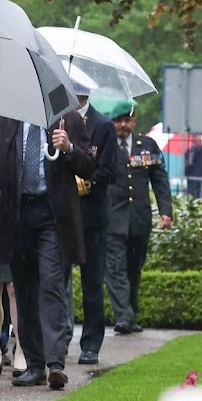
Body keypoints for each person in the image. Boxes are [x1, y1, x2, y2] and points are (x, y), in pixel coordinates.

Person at [0, 109, 95, 391]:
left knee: (52, 283)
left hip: (52, 215)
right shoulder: (1, 120)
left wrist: (69, 148)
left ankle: (56, 364)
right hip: (14, 215)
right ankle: (35, 364)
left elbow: (89, 165)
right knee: (24, 289)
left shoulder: (67, 118)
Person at [65, 79, 122, 365]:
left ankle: (90, 344)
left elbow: (109, 170)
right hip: (62, 214)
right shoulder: (58, 120)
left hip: (91, 215)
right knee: (56, 283)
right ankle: (58, 341)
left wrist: (86, 183)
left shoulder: (103, 125)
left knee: (92, 284)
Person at [104, 102, 172, 335]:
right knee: (115, 270)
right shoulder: (105, 144)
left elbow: (160, 180)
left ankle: (130, 315)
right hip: (112, 218)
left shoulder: (147, 145)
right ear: (112, 122)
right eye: (118, 120)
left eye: (127, 120)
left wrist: (166, 211)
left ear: (134, 122)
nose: (123, 125)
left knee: (134, 269)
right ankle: (123, 316)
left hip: (138, 219)